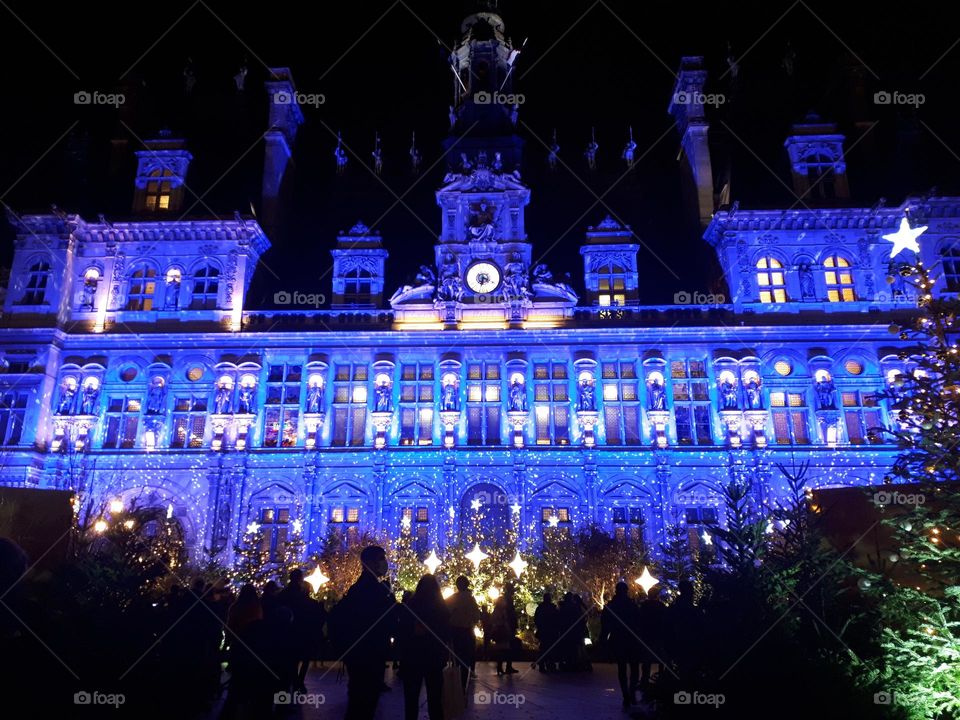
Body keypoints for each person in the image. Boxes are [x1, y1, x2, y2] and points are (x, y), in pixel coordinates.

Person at [328, 545, 396, 720]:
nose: (384, 563)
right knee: (364, 702)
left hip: (360, 654)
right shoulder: (371, 589)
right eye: (381, 559)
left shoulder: (361, 587)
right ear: (370, 563)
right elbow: (386, 620)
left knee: (359, 701)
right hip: (369, 654)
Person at [397, 575, 450, 720]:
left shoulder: (412, 605)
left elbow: (402, 630)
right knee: (435, 698)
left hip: (413, 657)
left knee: (411, 698)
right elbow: (446, 632)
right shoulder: (441, 607)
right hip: (434, 657)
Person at [277, 568, 327, 693]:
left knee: (292, 660)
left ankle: (295, 682)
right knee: (304, 658)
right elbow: (315, 613)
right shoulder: (302, 596)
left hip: (288, 633)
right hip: (303, 632)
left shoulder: (284, 595)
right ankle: (299, 682)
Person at [600, 582, 641, 708]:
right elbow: (639, 624)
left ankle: (626, 695)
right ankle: (631, 692)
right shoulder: (632, 606)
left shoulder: (611, 607)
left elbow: (605, 626)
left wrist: (603, 642)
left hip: (618, 640)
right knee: (634, 668)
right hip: (631, 640)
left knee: (622, 668)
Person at [446, 575, 480, 690]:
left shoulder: (453, 598)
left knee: (456, 657)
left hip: (456, 631)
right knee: (466, 657)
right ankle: (463, 683)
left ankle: (455, 682)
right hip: (467, 631)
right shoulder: (471, 599)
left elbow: (445, 613)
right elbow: (476, 616)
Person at [637, 586, 668, 693]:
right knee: (661, 658)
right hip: (658, 635)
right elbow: (664, 620)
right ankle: (661, 677)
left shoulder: (644, 606)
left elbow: (640, 620)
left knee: (646, 660)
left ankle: (645, 680)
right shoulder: (661, 606)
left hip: (647, 636)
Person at [490, 584, 518, 675]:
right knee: (505, 648)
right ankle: (505, 667)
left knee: (504, 649)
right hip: (504, 629)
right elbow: (506, 617)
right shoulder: (505, 605)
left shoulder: (503, 604)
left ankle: (502, 667)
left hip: (503, 629)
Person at [533, 592, 560, 672]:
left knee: (544, 647)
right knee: (549, 647)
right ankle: (549, 664)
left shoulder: (540, 608)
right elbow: (556, 618)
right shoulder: (552, 608)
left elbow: (536, 619)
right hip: (550, 631)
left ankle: (543, 664)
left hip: (544, 630)